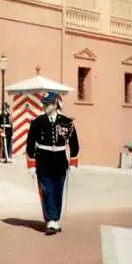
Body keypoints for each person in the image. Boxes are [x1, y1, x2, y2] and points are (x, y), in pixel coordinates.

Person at [26, 91, 80, 235]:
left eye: (47, 104)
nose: (44, 106)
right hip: (43, 161)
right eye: (43, 104)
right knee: (47, 191)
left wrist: (73, 162)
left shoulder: (66, 122)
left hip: (60, 161)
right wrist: (31, 165)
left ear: (55, 104)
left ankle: (56, 219)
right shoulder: (37, 122)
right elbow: (30, 145)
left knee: (57, 192)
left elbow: (74, 143)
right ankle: (50, 220)